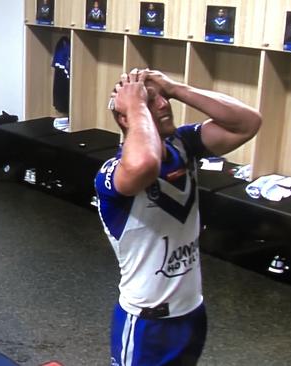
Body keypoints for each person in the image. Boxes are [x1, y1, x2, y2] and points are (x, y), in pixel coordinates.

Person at [95, 68, 261, 365]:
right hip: (147, 324)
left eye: (164, 99)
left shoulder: (184, 145)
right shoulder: (114, 173)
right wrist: (134, 105)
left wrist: (176, 88)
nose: (163, 105)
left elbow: (247, 123)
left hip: (190, 313)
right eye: (151, 102)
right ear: (126, 118)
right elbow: (145, 163)